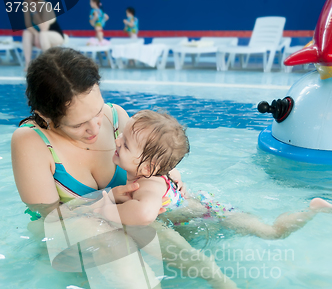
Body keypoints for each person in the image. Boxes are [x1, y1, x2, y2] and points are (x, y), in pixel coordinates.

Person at [11, 47, 293, 289]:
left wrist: (167, 179)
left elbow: (150, 168)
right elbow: (51, 216)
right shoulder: (31, 141)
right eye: (81, 125)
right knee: (109, 232)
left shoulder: (117, 118)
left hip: (132, 219)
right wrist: (109, 199)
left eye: (98, 112)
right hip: (73, 227)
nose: (98, 128)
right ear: (46, 115)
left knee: (190, 212)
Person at [93, 109, 332, 237]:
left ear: (147, 168)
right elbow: (170, 169)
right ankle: (310, 210)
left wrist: (107, 210)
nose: (116, 141)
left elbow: (144, 215)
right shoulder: (160, 171)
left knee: (271, 233)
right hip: (207, 206)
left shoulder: (148, 186)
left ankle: (309, 212)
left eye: (124, 144)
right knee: (265, 230)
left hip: (207, 214)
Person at [22, 0, 65, 70]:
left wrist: (34, 12)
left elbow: (44, 27)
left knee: (43, 34)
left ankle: (48, 63)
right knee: (26, 33)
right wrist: (36, 34)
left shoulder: (45, 6)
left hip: (56, 35)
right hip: (39, 36)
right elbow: (28, 24)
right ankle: (28, 63)